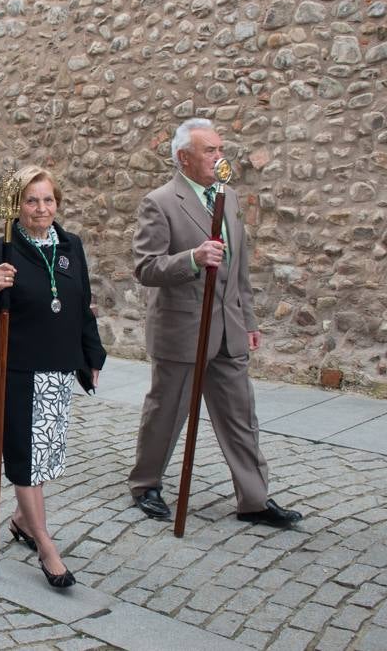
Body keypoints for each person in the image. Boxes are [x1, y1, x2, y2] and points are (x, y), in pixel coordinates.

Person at [128, 118, 302, 529]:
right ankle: (146, 483)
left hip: (228, 329)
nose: (219, 156)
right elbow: (145, 268)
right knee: (165, 412)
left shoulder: (230, 198)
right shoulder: (160, 202)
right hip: (182, 329)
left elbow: (239, 268)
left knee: (241, 415)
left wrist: (249, 320)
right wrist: (192, 259)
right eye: (210, 150)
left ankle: (254, 500)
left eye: (220, 149)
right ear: (184, 158)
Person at [0, 165, 106, 588]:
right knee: (25, 455)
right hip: (17, 366)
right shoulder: (0, 249)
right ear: (16, 206)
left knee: (46, 452)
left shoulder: (71, 245)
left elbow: (82, 306)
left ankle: (24, 519)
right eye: (31, 200)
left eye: (47, 200)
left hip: (59, 365)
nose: (41, 208)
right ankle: (46, 545)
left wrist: (92, 354)